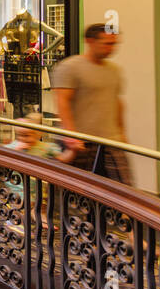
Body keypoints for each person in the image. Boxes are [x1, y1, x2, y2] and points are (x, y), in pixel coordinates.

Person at [51, 23, 131, 183]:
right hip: (81, 143)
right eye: (107, 43)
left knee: (123, 191)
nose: (111, 48)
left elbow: (117, 102)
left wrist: (121, 133)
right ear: (90, 41)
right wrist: (72, 137)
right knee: (76, 191)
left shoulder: (114, 70)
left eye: (114, 44)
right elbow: (62, 102)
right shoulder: (70, 67)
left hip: (110, 141)